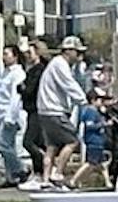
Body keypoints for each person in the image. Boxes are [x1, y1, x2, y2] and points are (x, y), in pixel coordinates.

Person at [32, 37, 92, 187]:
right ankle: (57, 173)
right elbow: (69, 84)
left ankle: (45, 180)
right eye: (77, 52)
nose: (79, 56)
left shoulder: (55, 64)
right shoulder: (60, 64)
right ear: (68, 51)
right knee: (73, 141)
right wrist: (83, 100)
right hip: (55, 110)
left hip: (44, 111)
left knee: (51, 146)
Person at [0, 47, 32, 189]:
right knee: (9, 145)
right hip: (0, 113)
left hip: (11, 115)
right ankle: (11, 177)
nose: (4, 57)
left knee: (2, 145)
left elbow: (15, 97)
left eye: (6, 54)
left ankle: (21, 169)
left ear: (15, 56)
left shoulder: (18, 74)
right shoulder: (5, 73)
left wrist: (11, 117)